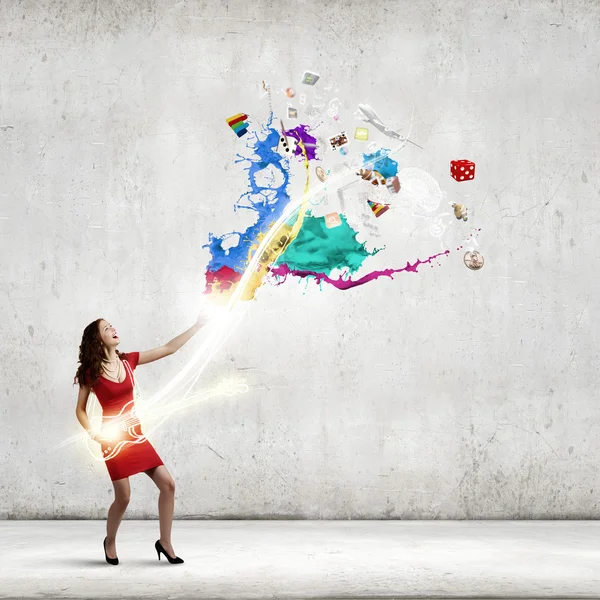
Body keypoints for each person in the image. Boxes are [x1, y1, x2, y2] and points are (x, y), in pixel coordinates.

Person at [73, 312, 207, 565]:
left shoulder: (128, 361)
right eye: (106, 328)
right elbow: (80, 409)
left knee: (168, 485)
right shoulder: (91, 372)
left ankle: (164, 542)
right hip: (112, 442)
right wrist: (93, 433)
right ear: (97, 339)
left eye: (112, 325)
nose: (113, 329)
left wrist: (197, 326)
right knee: (124, 497)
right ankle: (109, 540)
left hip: (136, 436)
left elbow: (169, 348)